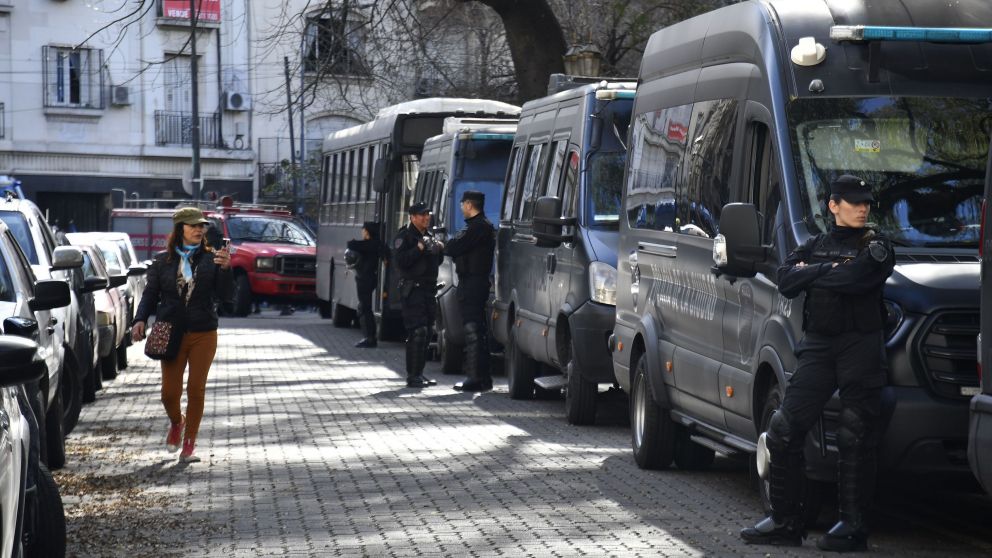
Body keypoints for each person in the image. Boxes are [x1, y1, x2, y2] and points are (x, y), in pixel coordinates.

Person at [740, 175, 895, 552]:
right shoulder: (815, 245)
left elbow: (860, 278)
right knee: (783, 428)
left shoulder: (877, 245)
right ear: (833, 205)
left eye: (866, 203)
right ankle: (785, 520)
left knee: (854, 435)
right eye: (854, 202)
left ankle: (853, 526)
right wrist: (828, 271)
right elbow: (786, 280)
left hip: (860, 345)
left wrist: (818, 274)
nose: (863, 208)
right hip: (820, 346)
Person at [131, 207, 233, 463]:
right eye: (192, 225)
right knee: (169, 393)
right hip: (171, 331)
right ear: (180, 230)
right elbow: (150, 295)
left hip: (204, 332)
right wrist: (140, 319)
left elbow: (225, 296)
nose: (199, 229)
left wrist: (226, 271)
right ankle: (178, 422)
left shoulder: (213, 259)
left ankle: (189, 444)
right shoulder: (162, 261)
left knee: (196, 389)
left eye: (202, 226)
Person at [444, 191, 496, 392]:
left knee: (472, 330)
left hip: (473, 283)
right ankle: (483, 378)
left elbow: (452, 247)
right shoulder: (480, 227)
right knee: (477, 330)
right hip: (474, 282)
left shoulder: (478, 227)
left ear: (468, 205)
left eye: (462, 204)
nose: (461, 208)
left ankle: (475, 377)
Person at [393, 202, 443, 388]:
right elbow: (401, 262)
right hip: (413, 290)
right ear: (412, 217)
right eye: (422, 215)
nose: (426, 218)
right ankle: (412, 376)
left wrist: (439, 248)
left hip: (429, 290)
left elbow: (436, 262)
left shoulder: (429, 236)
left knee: (428, 332)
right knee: (418, 332)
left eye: (427, 214)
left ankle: (420, 374)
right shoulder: (404, 236)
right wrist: (419, 248)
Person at [347, 221, 389, 348]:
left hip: (364, 280)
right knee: (364, 307)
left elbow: (351, 244)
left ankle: (369, 338)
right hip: (370, 279)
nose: (362, 232)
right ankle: (369, 337)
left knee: (364, 308)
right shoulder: (378, 244)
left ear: (368, 232)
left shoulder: (369, 244)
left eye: (364, 230)